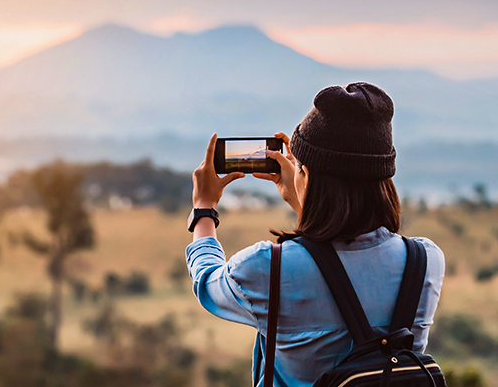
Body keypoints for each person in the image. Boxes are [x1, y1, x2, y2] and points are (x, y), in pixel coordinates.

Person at [185, 82, 444, 386]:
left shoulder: (270, 268)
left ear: (304, 174)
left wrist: (204, 209)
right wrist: (303, 197)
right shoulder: (425, 261)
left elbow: (207, 282)